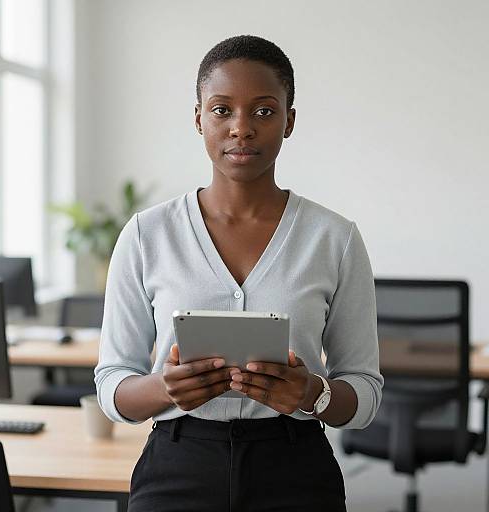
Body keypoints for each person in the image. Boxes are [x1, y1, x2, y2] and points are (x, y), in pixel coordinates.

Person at [95, 34, 383, 512]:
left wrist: (313, 392)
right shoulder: (147, 234)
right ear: (199, 119)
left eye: (264, 111)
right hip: (177, 464)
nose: (241, 128)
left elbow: (365, 394)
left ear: (289, 122)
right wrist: (163, 388)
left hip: (295, 468)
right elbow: (112, 385)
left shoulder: (335, 238)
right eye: (222, 110)